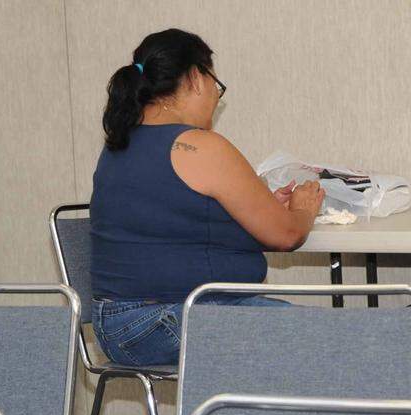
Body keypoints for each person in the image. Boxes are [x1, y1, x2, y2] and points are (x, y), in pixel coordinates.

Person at [90, 28, 324, 367]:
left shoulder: (119, 145)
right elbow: (287, 235)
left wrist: (262, 205)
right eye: (216, 83)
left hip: (118, 325)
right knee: (333, 337)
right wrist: (303, 210)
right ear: (196, 78)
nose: (216, 96)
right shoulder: (198, 145)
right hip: (164, 320)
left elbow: (174, 224)